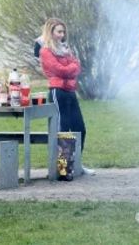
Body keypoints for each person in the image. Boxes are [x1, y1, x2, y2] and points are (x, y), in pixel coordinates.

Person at [38, 18, 95, 176]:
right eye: (59, 32)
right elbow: (59, 70)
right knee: (63, 130)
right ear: (51, 33)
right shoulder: (45, 51)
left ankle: (76, 164)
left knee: (80, 128)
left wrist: (69, 68)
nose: (62, 35)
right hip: (58, 92)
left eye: (63, 32)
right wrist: (70, 68)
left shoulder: (66, 49)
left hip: (70, 91)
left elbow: (77, 66)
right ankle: (63, 170)